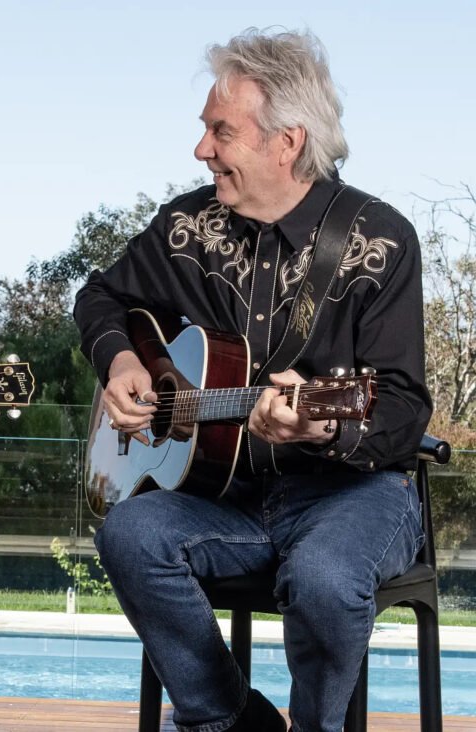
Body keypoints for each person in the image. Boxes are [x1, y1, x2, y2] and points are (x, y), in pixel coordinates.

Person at [73, 29, 430, 732]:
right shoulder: (187, 227)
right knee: (129, 533)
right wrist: (123, 362)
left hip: (352, 497)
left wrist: (321, 420)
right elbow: (100, 297)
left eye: (219, 131)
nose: (201, 149)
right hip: (226, 499)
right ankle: (228, 720)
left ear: (286, 141)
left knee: (326, 577)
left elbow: (403, 406)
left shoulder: (381, 240)